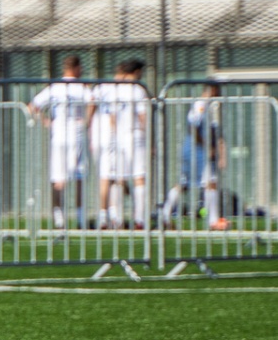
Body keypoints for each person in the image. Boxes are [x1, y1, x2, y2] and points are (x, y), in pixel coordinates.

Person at [26, 56, 92, 232]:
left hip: (58, 136)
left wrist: (46, 122)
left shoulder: (55, 87)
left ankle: (59, 218)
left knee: (58, 178)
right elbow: (92, 101)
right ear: (76, 68)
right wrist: (86, 121)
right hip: (76, 135)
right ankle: (80, 218)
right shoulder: (81, 87)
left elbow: (32, 106)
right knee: (79, 176)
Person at [94, 59, 151, 230]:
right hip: (135, 135)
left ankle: (117, 219)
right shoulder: (138, 89)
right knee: (139, 177)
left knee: (119, 178)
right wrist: (149, 138)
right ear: (136, 72)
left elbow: (112, 118)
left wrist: (116, 134)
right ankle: (139, 219)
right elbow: (142, 116)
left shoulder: (115, 90)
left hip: (119, 137)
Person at [164, 82, 227, 229]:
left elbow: (214, 132)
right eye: (216, 92)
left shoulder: (210, 108)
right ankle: (213, 220)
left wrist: (220, 152)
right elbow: (192, 127)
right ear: (211, 90)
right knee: (211, 182)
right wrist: (206, 146)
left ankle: (165, 214)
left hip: (194, 150)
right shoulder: (201, 105)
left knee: (183, 183)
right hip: (196, 151)